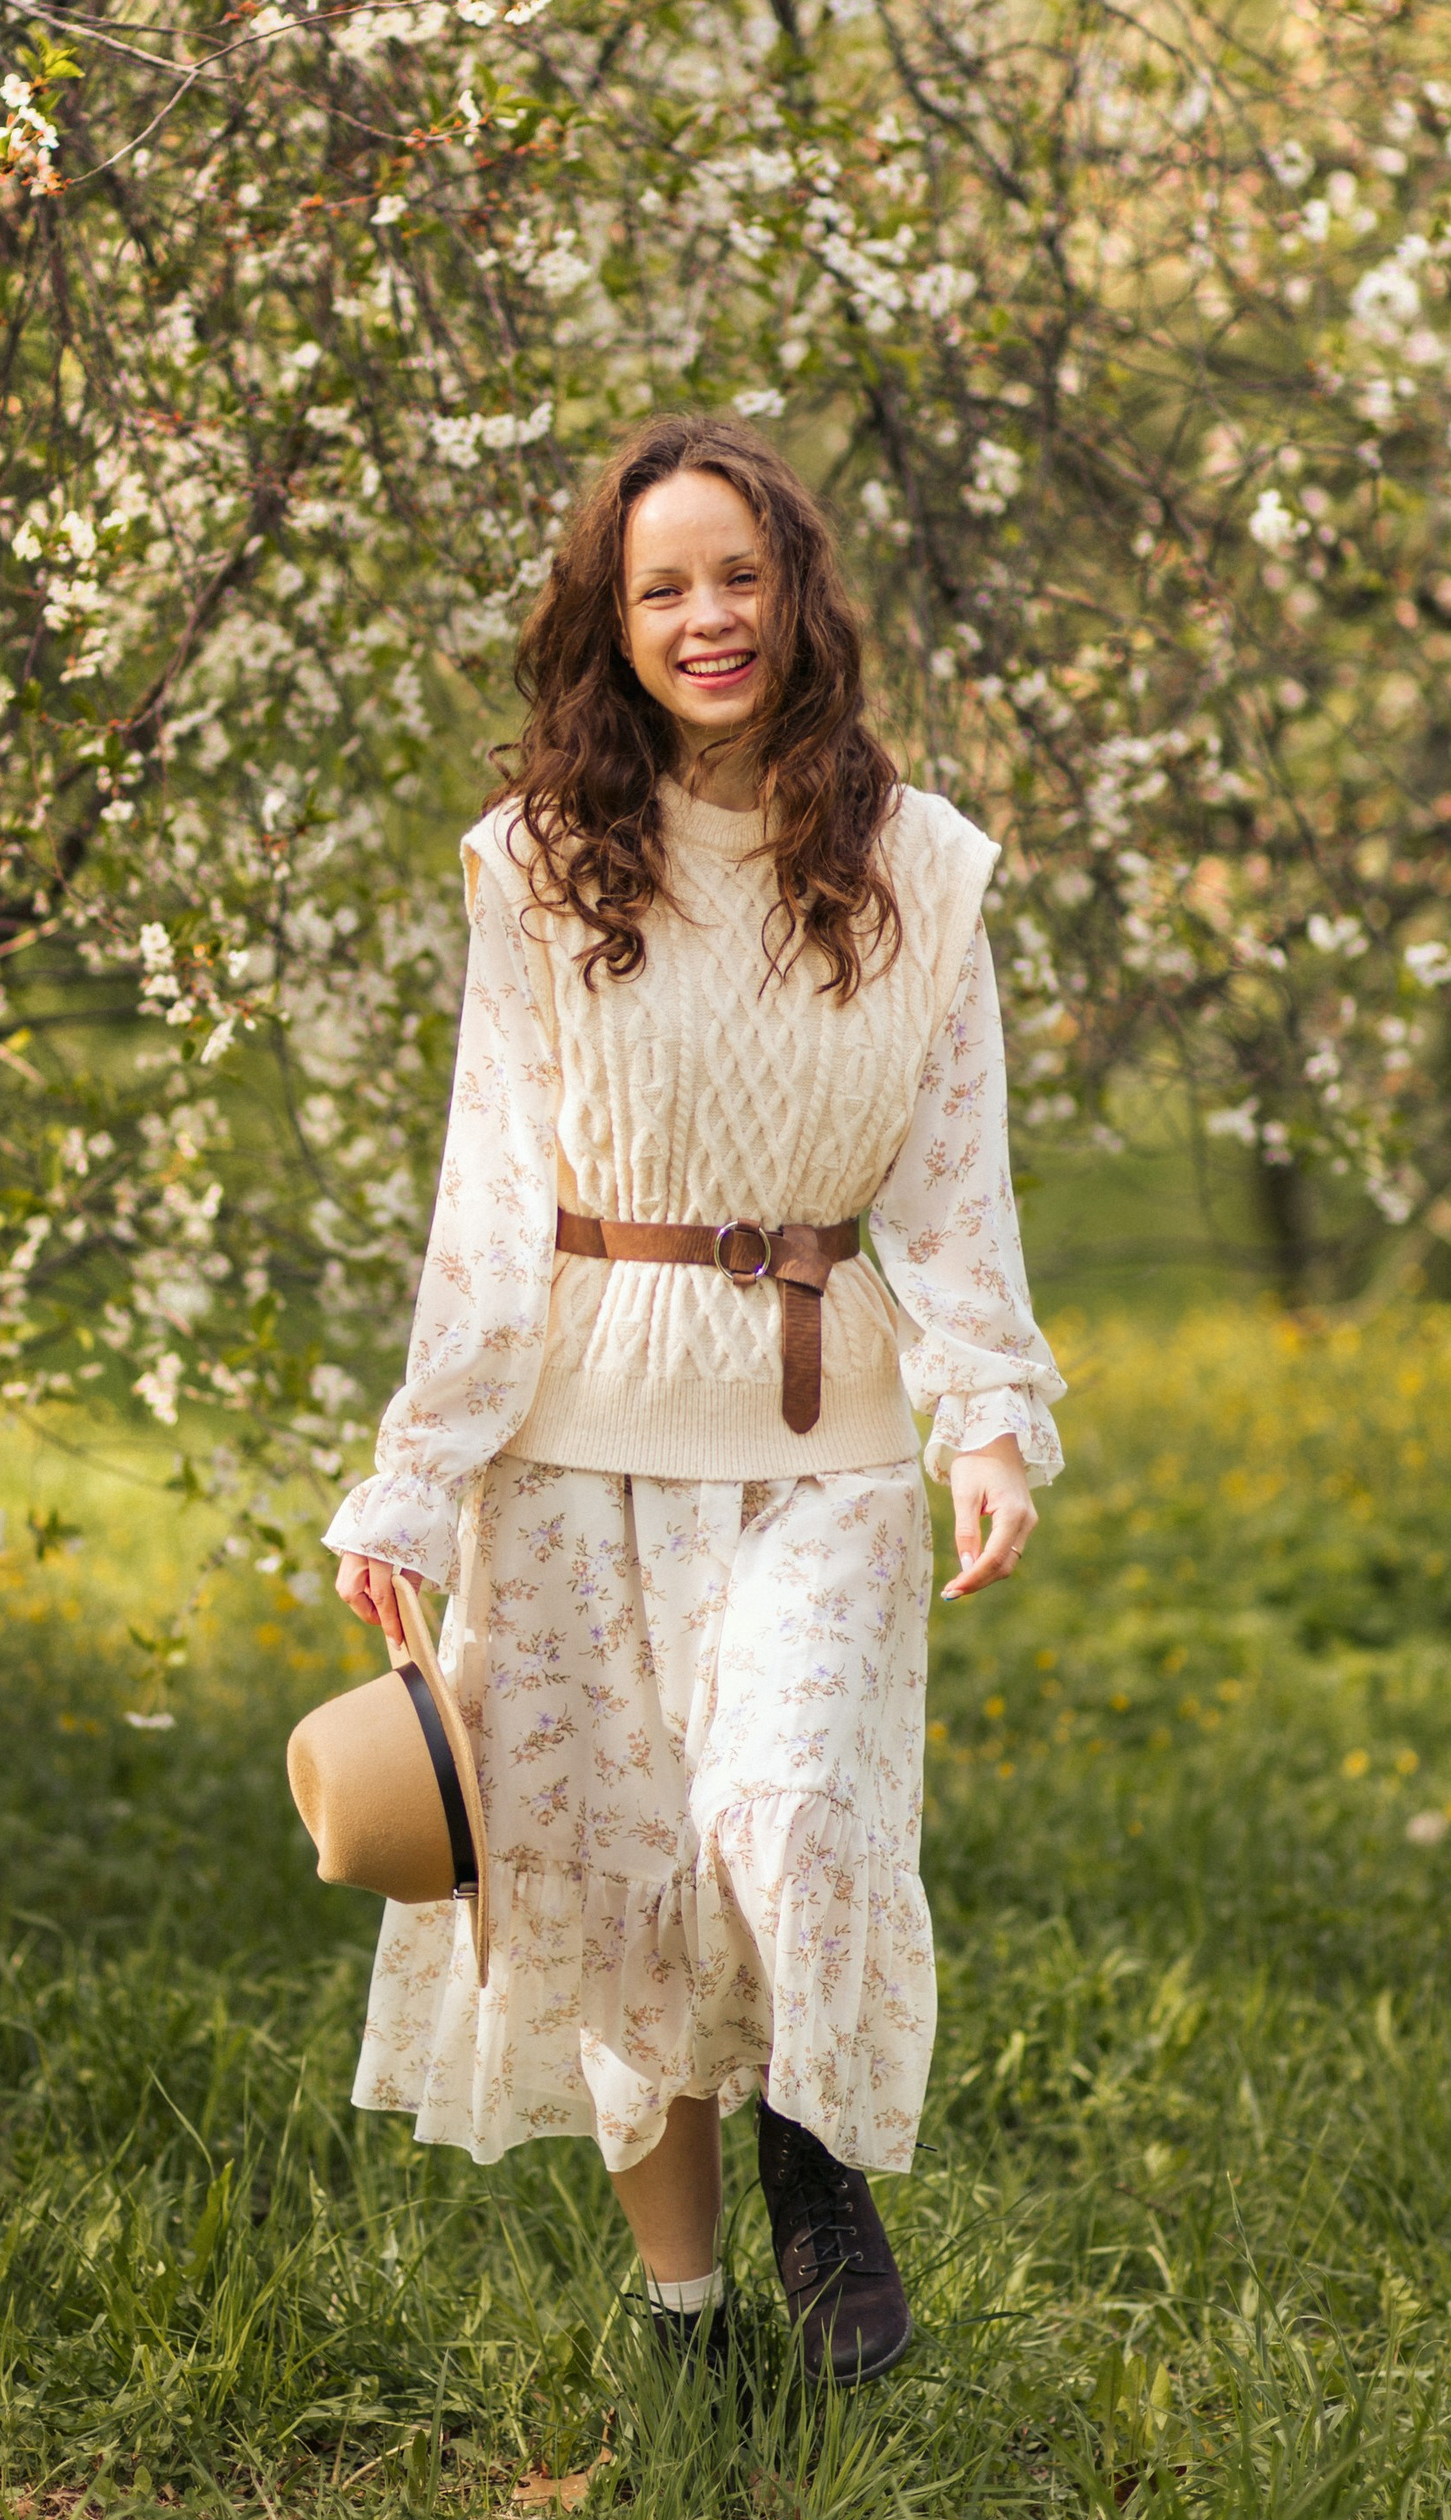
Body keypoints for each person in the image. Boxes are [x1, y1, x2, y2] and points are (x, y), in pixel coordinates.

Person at [326, 415, 1064, 2382]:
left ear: (794, 593)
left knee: (793, 1819)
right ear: (612, 620)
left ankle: (812, 2160)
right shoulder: (539, 864)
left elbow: (946, 1170)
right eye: (661, 586)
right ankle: (687, 2332)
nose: (705, 615)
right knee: (615, 1895)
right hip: (568, 1448)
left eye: (733, 574)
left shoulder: (917, 865)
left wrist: (984, 1409)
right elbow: (488, 1193)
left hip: (816, 1452)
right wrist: (413, 1478)